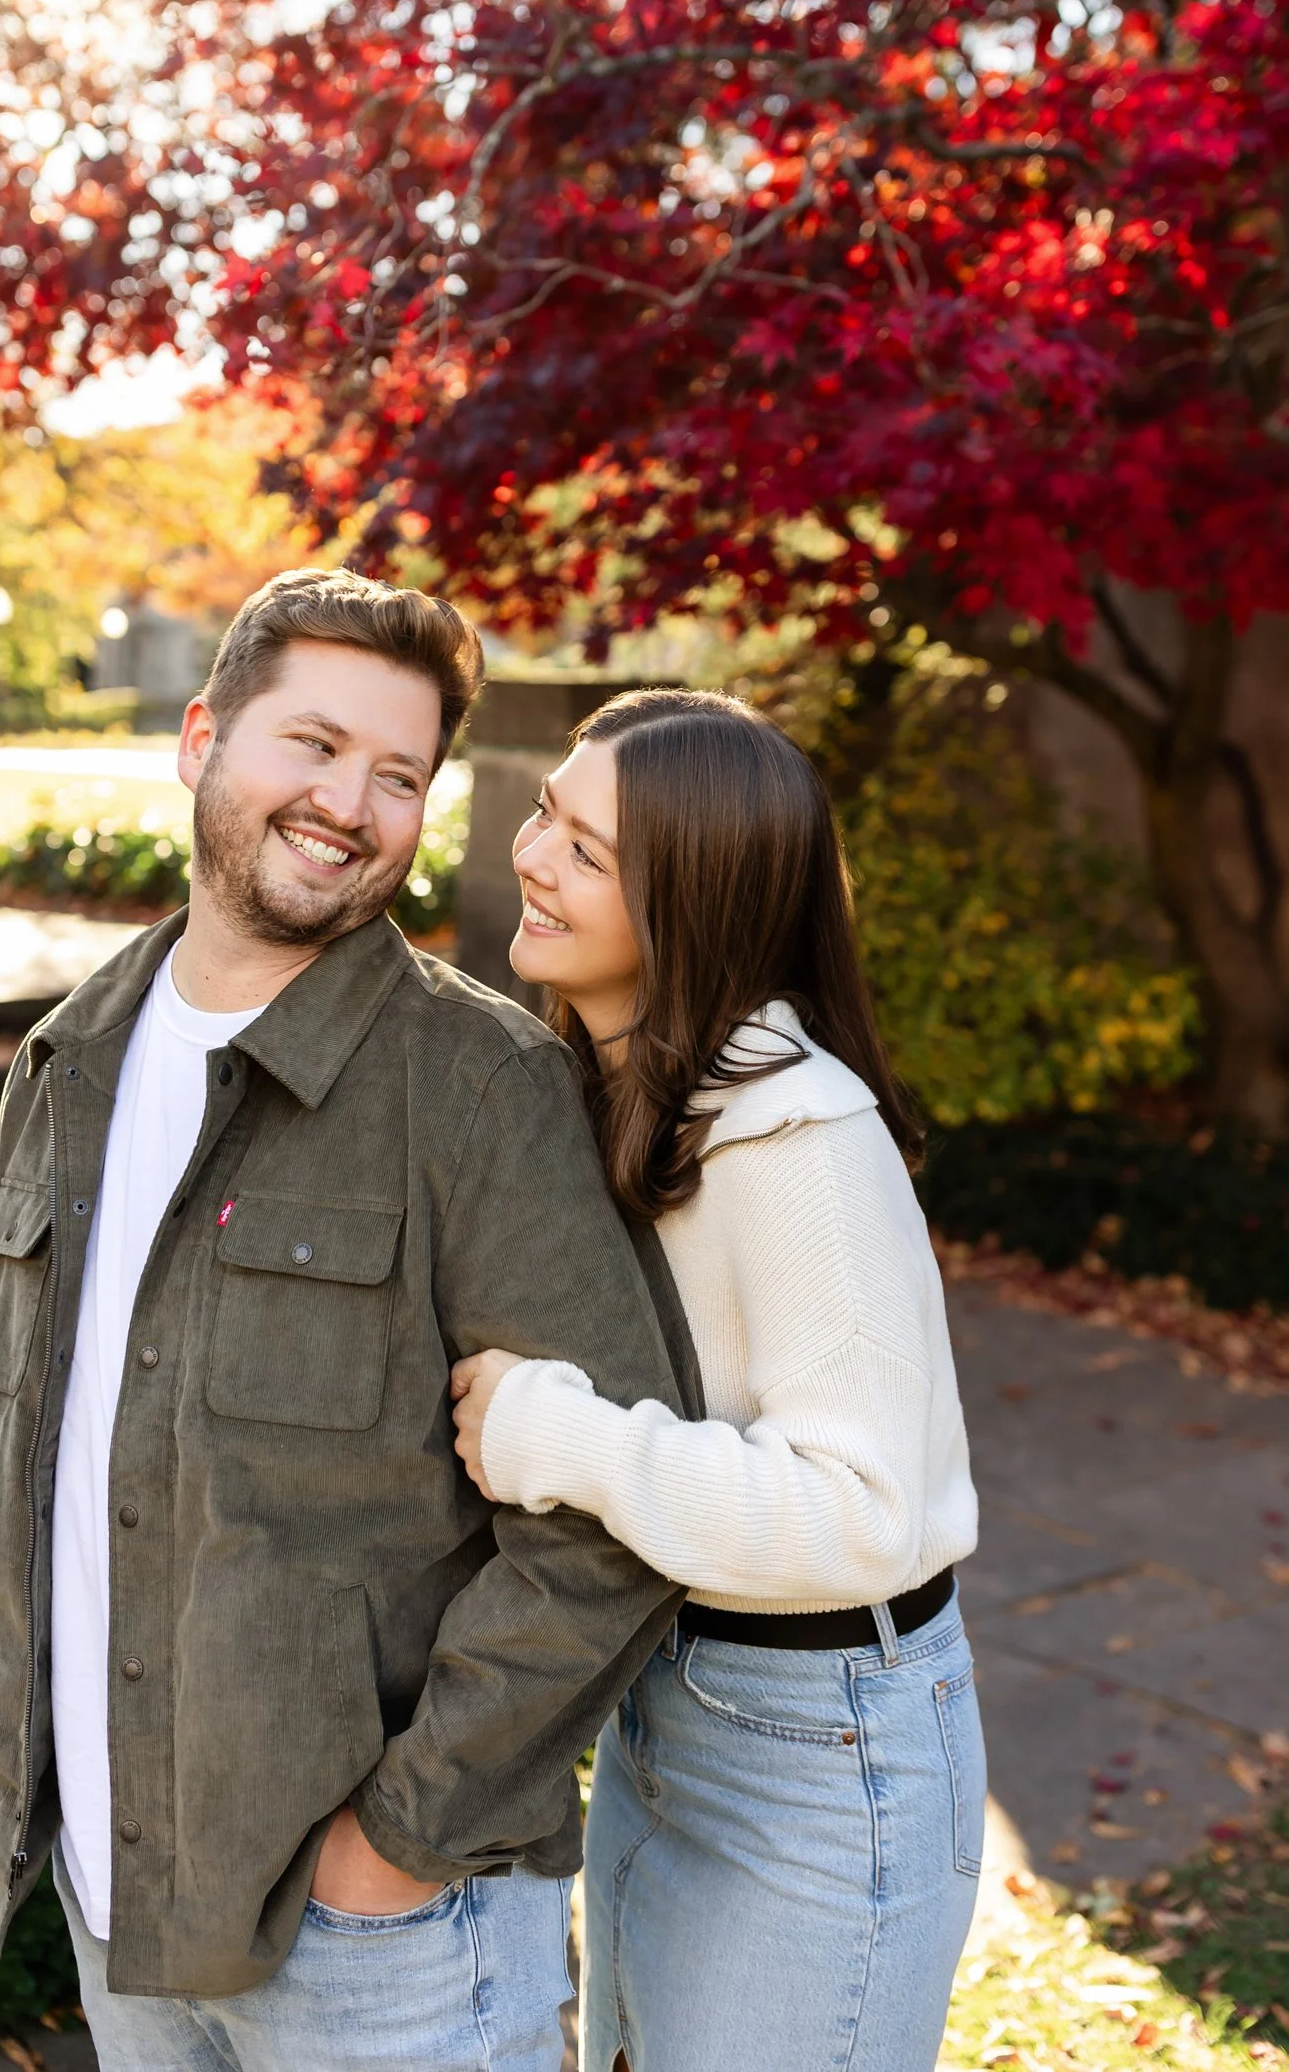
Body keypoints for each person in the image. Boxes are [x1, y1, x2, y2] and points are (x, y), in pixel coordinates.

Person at [0, 572, 691, 2072]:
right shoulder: (68, 1060)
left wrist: (394, 1846)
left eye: (398, 775)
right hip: (117, 1902)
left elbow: (613, 1512)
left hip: (383, 1955)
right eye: (311, 744)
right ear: (201, 738)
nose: (348, 804)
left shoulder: (474, 1087)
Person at [450, 688, 985, 2072]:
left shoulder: (792, 1132)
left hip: (817, 1746)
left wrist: (545, 1432)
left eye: (588, 851)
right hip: (676, 1695)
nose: (532, 856)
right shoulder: (623, 1081)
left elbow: (854, 1514)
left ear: (691, 905)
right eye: (544, 816)